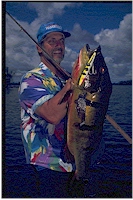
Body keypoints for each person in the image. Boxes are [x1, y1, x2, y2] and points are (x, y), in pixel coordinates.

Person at [18, 21, 105, 198]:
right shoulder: (31, 79)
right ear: (39, 48)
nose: (59, 45)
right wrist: (70, 89)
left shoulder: (67, 77)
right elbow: (52, 115)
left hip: (76, 164)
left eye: (61, 41)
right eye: (52, 41)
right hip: (49, 167)